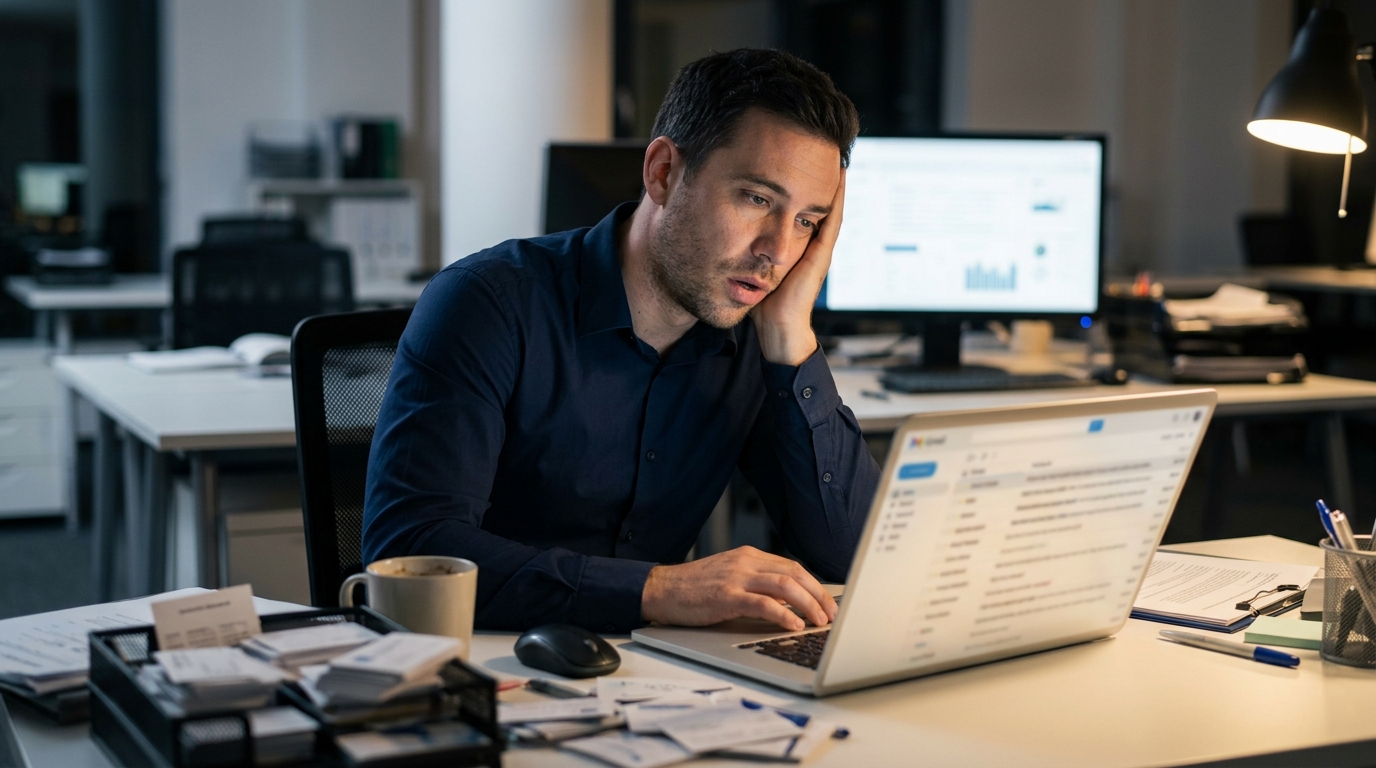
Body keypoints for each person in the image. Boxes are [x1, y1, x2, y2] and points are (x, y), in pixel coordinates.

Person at [363, 48, 881, 634]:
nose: (779, 252)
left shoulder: (753, 337)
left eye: (808, 222)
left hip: (660, 682)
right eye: (757, 199)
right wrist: (654, 589)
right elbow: (413, 552)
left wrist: (791, 335)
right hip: (489, 668)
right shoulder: (487, 304)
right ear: (662, 173)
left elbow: (853, 560)